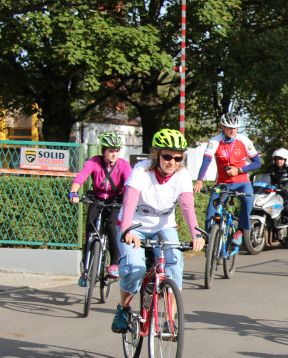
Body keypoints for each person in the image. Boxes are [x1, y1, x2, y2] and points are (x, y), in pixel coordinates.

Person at [111, 129, 205, 334]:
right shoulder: (141, 170)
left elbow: (187, 206)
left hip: (164, 226)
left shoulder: (182, 175)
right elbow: (129, 201)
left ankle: (169, 321)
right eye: (167, 156)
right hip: (134, 227)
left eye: (178, 157)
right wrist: (127, 228)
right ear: (156, 154)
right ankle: (124, 309)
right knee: (134, 269)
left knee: (175, 266)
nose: (172, 161)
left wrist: (196, 234)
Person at [69, 132, 132, 285]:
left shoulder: (123, 164)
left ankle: (114, 264)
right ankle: (85, 270)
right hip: (97, 198)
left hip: (115, 200)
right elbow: (81, 177)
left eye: (117, 150)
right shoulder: (94, 162)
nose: (114, 154)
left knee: (111, 226)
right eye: (111, 150)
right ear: (103, 150)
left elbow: (129, 183)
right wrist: (73, 192)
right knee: (90, 230)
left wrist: (129, 199)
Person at [194, 112, 261, 249]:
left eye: (235, 128)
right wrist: (199, 180)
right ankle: (211, 243)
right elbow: (206, 160)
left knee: (248, 201)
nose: (232, 131)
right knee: (211, 214)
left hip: (242, 182)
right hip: (223, 184)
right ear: (222, 127)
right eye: (229, 127)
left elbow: (257, 162)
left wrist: (239, 170)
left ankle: (240, 232)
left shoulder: (244, 141)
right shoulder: (214, 141)